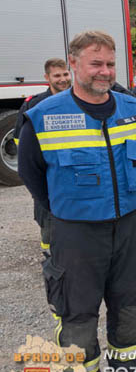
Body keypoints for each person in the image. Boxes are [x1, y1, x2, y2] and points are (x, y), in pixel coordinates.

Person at [18, 31, 136, 372]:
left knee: (130, 303)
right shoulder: (44, 116)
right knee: (76, 312)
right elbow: (32, 174)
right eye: (96, 63)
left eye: (110, 64)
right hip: (75, 231)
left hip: (127, 225)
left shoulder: (134, 109)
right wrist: (69, 208)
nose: (104, 71)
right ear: (73, 63)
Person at [14, 58, 71, 257]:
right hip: (48, 175)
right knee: (48, 220)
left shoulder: (78, 101)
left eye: (65, 74)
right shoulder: (34, 105)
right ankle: (50, 258)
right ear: (47, 78)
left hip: (73, 174)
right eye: (57, 75)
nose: (63, 79)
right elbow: (20, 141)